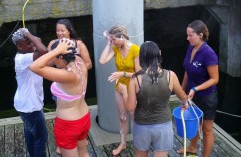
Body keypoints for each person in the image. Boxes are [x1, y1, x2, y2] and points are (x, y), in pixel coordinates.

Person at [117, 41, 189, 157]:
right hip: (163, 126)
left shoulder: (135, 79)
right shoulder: (171, 75)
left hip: (142, 126)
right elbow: (183, 97)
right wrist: (186, 103)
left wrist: (124, 92)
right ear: (159, 54)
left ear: (141, 57)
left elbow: (130, 107)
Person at [30, 38, 90, 157]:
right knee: (83, 153)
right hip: (84, 118)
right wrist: (57, 51)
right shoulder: (79, 61)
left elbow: (34, 67)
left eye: (56, 57)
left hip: (68, 125)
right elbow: (47, 63)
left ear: (61, 56)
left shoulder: (69, 75)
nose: (54, 61)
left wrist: (56, 50)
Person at [177, 20, 219, 157]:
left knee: (207, 129)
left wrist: (195, 89)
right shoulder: (191, 47)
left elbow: (215, 79)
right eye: (187, 35)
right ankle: (192, 147)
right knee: (194, 123)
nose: (187, 38)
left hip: (207, 97)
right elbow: (188, 70)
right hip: (191, 95)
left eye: (190, 35)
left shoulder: (209, 53)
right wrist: (182, 89)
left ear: (200, 35)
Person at [99, 25, 141, 155]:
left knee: (134, 116)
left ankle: (138, 143)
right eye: (111, 40)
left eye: (114, 39)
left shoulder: (136, 49)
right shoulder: (116, 48)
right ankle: (123, 143)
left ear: (122, 37)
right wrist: (108, 43)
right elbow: (102, 61)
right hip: (119, 87)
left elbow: (139, 73)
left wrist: (122, 73)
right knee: (122, 117)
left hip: (133, 87)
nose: (113, 42)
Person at [12, 28, 48, 157]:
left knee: (31, 133)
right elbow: (43, 51)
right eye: (27, 43)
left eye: (31, 42)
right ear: (19, 46)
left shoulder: (28, 57)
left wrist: (32, 39)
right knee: (41, 138)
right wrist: (28, 34)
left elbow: (41, 49)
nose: (31, 44)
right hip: (30, 106)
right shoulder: (23, 59)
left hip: (25, 104)